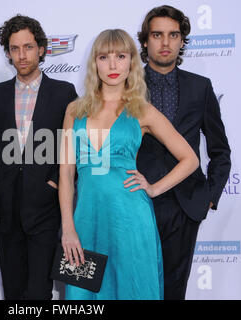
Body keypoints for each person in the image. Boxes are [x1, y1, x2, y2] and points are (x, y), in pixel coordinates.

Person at [59, 29, 199, 300]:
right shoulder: (74, 110)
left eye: (120, 56)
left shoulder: (142, 110)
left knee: (132, 291)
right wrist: (68, 228)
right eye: (104, 57)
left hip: (130, 220)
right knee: (81, 297)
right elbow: (65, 174)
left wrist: (155, 188)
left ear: (131, 62)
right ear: (94, 63)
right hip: (86, 222)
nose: (112, 65)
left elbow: (190, 159)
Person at [136, 5, 231, 300]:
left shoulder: (200, 88)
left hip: (185, 204)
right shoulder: (126, 87)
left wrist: (210, 195)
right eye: (157, 35)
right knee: (136, 287)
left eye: (173, 35)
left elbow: (220, 150)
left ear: (181, 40)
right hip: (136, 200)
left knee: (174, 291)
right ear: (145, 41)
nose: (165, 43)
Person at [0, 14, 77, 300]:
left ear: (41, 49)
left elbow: (73, 146)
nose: (22, 55)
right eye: (15, 48)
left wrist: (54, 182)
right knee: (13, 292)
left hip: (46, 210)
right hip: (7, 209)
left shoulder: (64, 93)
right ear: (8, 53)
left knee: (40, 292)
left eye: (28, 47)